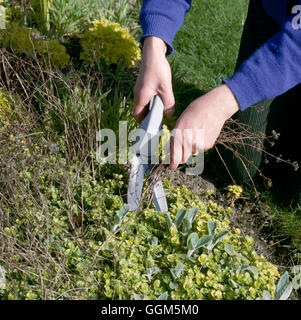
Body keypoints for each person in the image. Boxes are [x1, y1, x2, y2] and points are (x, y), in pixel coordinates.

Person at [133, 0, 301, 204]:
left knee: (294, 196)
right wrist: (154, 45)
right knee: (240, 165)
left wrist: (226, 100)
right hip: (275, 11)